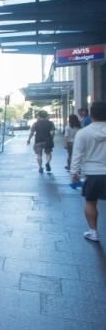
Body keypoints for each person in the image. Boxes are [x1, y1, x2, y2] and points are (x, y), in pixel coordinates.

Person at [70, 101, 106, 242]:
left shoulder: (83, 133)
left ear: (91, 115)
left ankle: (93, 232)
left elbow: (77, 154)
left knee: (91, 202)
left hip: (92, 173)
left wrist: (74, 172)